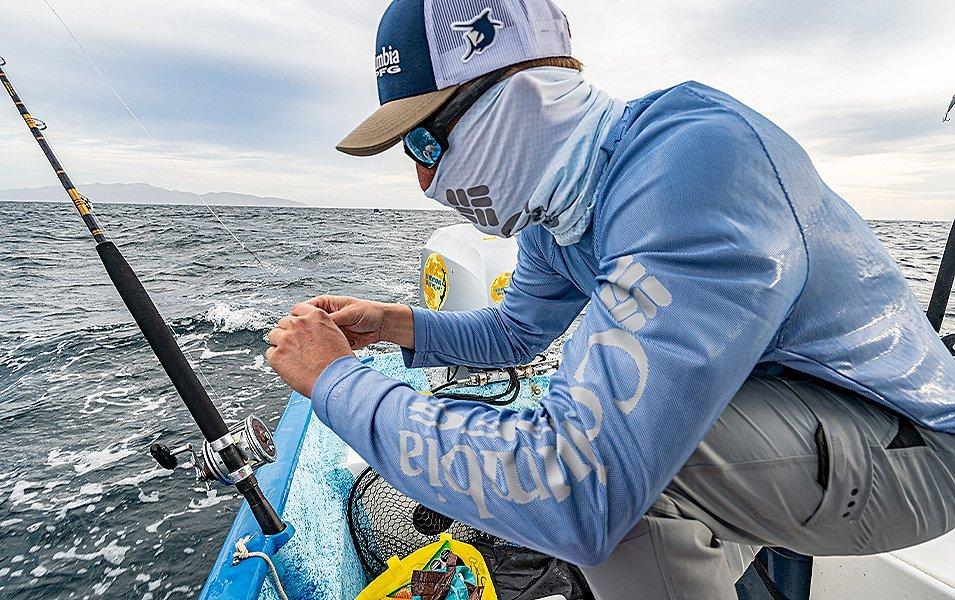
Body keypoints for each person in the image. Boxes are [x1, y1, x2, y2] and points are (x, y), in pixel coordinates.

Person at [265, 1, 955, 598]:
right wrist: (394, 325)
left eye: (424, 141)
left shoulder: (697, 166)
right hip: (794, 428)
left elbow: (577, 484)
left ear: (517, 94)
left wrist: (333, 380)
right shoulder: (560, 209)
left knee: (616, 485)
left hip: (912, 450)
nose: (422, 181)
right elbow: (514, 334)